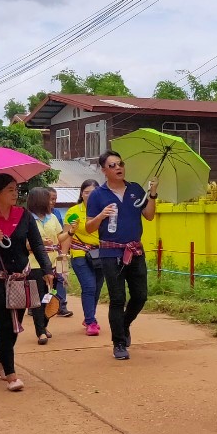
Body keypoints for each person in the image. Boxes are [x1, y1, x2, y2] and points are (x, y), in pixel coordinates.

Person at [0, 173, 54, 392]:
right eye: (10, 189)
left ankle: (1, 363)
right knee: (5, 326)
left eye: (16, 189)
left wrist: (47, 269)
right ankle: (11, 374)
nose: (15, 193)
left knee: (15, 329)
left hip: (21, 281)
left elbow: (37, 245)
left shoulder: (24, 216)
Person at [86, 151, 156, 360]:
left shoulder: (135, 189)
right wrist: (101, 215)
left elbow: (149, 216)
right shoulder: (98, 195)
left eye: (120, 163)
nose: (118, 168)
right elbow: (89, 227)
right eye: (112, 165)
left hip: (135, 251)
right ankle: (118, 343)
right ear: (104, 170)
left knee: (140, 295)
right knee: (117, 298)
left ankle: (123, 324)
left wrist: (152, 194)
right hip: (110, 253)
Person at [63, 179, 103, 336]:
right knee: (89, 286)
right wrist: (63, 256)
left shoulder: (104, 211)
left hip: (100, 255)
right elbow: (67, 235)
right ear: (81, 194)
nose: (90, 195)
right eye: (86, 192)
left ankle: (89, 316)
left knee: (98, 288)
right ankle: (91, 321)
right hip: (80, 254)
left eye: (93, 192)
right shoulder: (73, 212)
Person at [26, 187, 62, 346]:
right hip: (35, 265)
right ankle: (40, 331)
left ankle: (44, 325)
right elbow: (22, 243)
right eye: (49, 199)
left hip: (53, 264)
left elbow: (59, 236)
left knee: (50, 296)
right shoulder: (27, 219)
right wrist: (37, 244)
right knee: (38, 299)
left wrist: (71, 232)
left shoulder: (52, 217)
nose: (51, 202)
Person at [49, 188, 72, 317]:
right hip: (44, 254)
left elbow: (62, 233)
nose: (53, 202)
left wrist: (63, 251)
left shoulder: (56, 213)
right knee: (49, 281)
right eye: (51, 199)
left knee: (61, 278)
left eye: (55, 199)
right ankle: (45, 304)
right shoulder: (35, 215)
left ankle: (61, 305)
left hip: (59, 251)